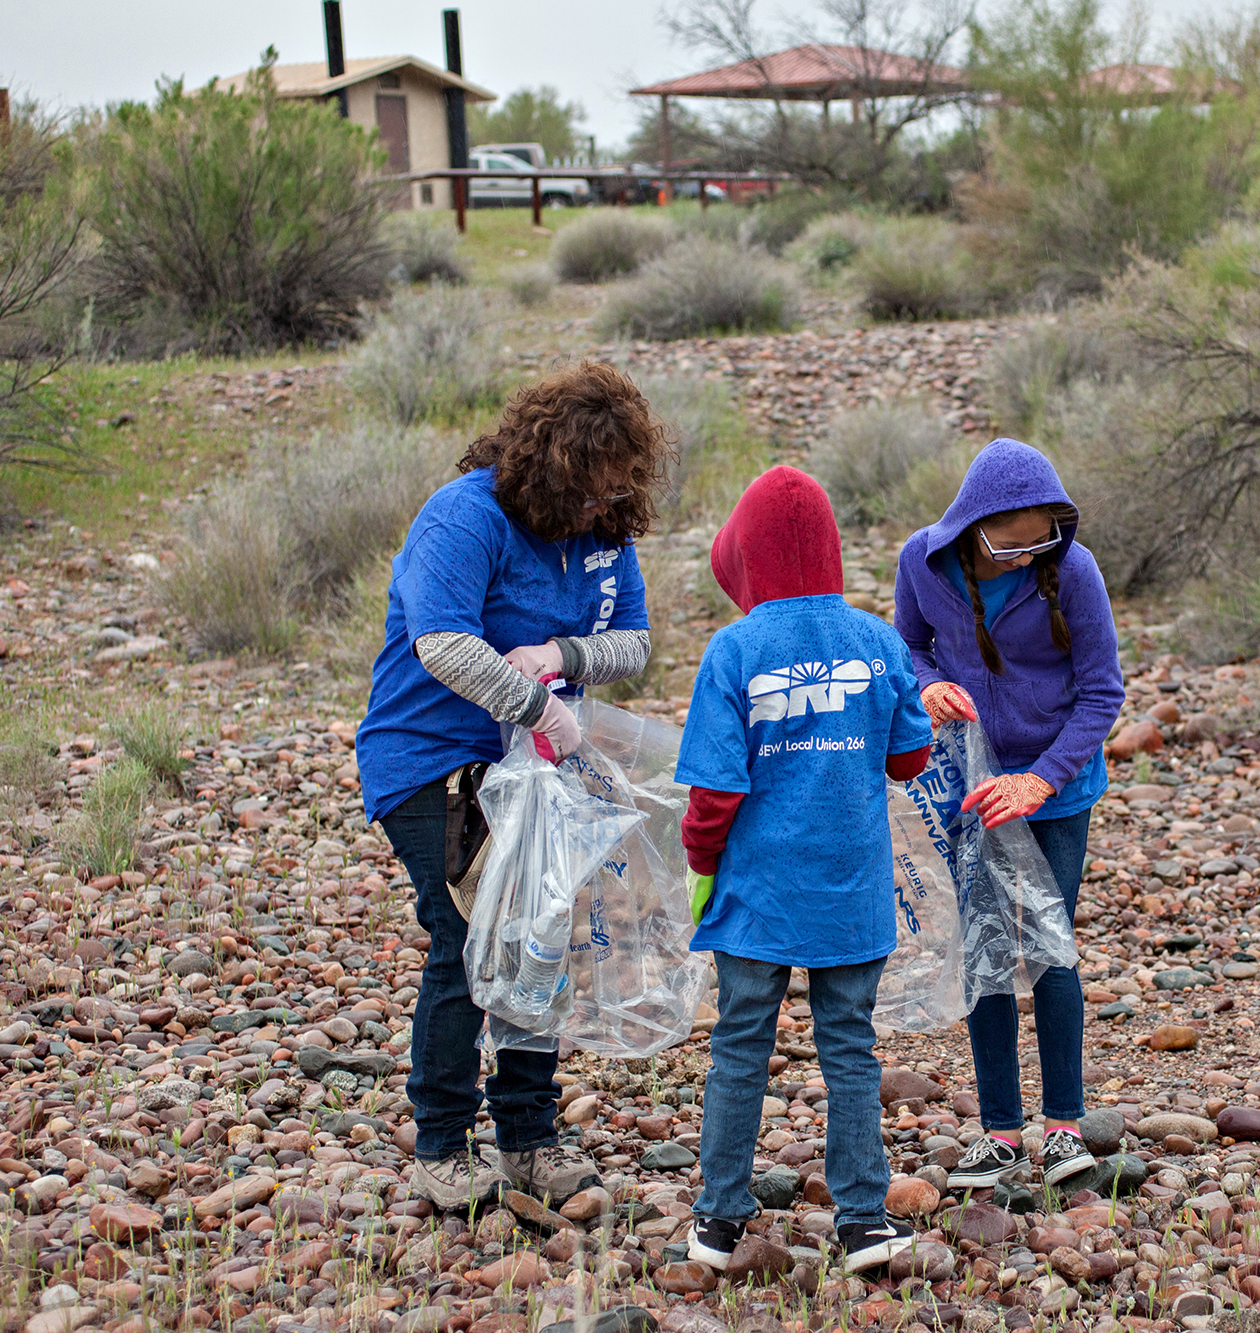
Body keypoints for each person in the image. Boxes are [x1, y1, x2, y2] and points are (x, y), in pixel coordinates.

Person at [356, 362, 668, 1211]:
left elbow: (634, 643)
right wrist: (540, 705)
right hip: (432, 758)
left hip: (536, 770)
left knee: (543, 938)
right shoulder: (465, 517)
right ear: (549, 465)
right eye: (587, 492)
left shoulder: (603, 533)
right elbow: (445, 646)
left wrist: (565, 658)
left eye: (613, 495)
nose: (597, 511)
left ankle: (529, 1133)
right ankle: (441, 1141)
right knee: (469, 935)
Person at [675, 466, 935, 1275]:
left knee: (740, 1045)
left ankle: (718, 1221)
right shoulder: (875, 639)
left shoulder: (735, 649)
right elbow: (912, 756)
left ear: (746, 555)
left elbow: (715, 791)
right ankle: (861, 1222)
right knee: (850, 1048)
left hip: (756, 893)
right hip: (850, 891)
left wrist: (700, 864)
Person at [891, 438, 1125, 1189]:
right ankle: (998, 1132)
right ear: (974, 524)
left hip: (1057, 787)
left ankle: (1062, 1127)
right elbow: (909, 647)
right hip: (971, 782)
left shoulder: (1074, 569)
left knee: (1050, 944)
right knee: (985, 948)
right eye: (1012, 542)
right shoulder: (923, 564)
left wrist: (1042, 781)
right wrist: (925, 687)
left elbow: (1102, 693)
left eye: (1041, 539)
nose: (1028, 556)